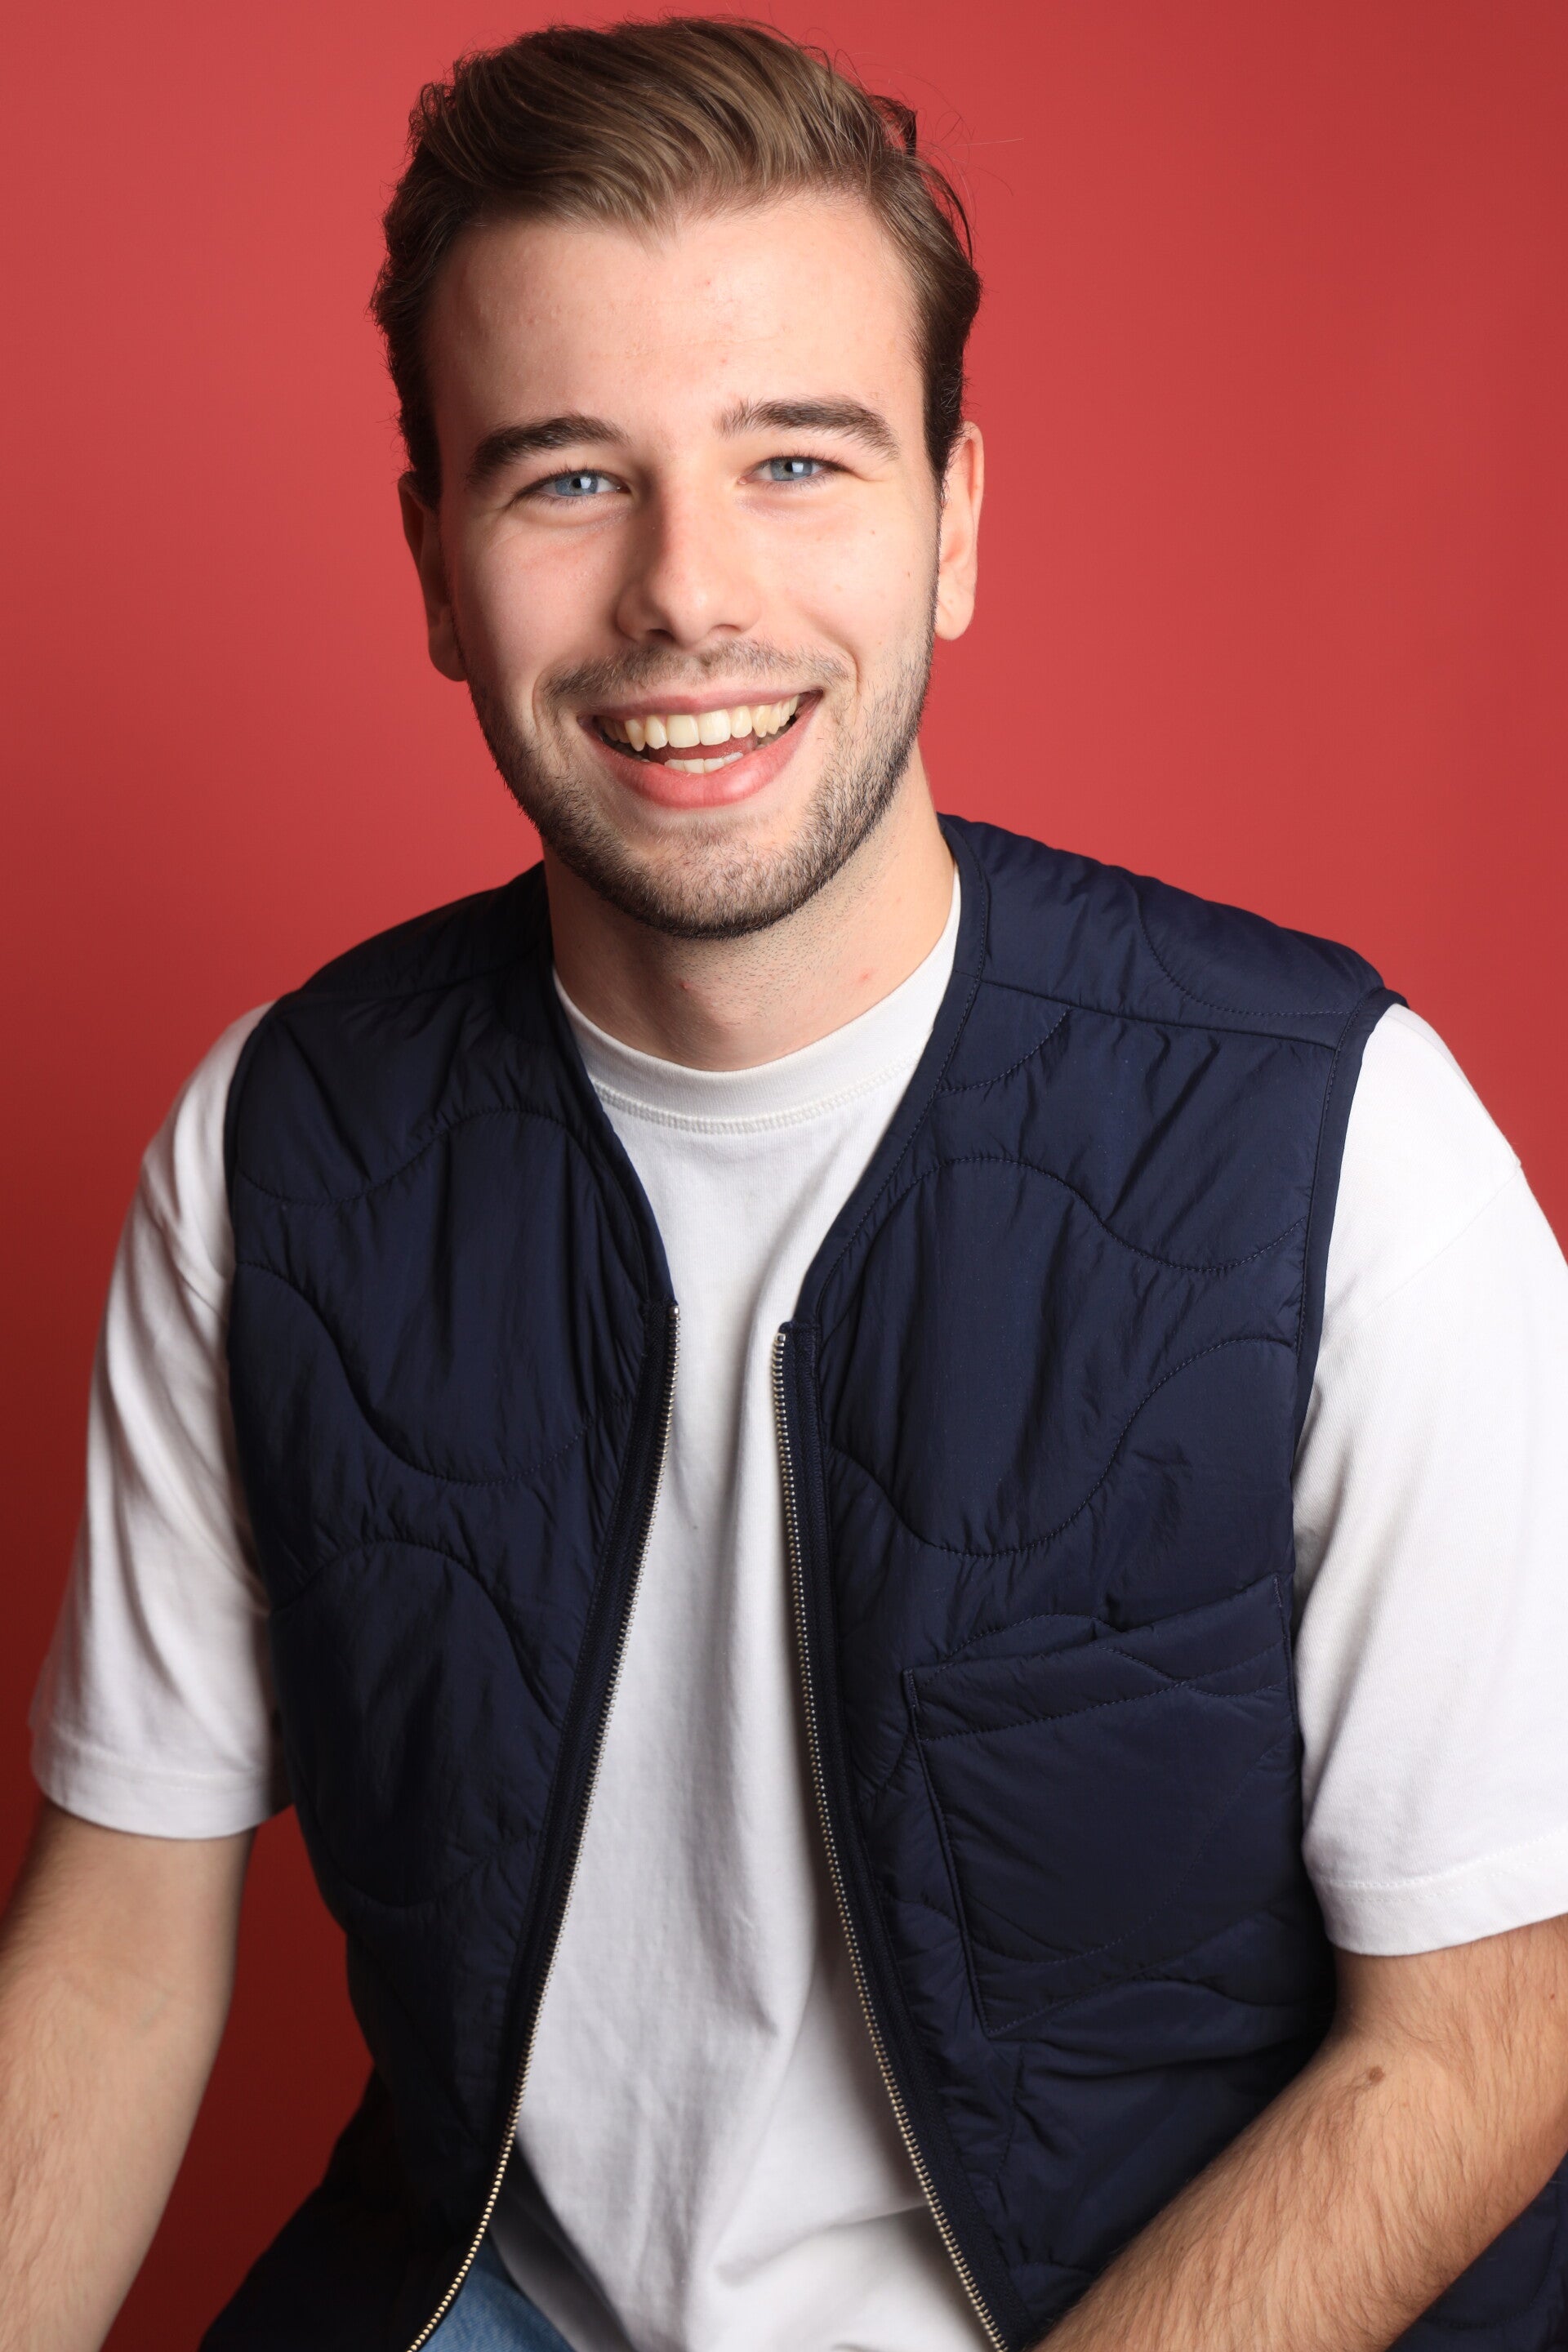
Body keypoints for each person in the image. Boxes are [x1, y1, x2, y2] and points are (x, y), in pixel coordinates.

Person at [3, 18, 1567, 2352]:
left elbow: (1495, 2025)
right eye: (567, 478)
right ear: (434, 563)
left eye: (797, 460)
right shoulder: (274, 1151)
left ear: (956, 522)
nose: (685, 592)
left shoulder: (1344, 1139)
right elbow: (121, 1955)